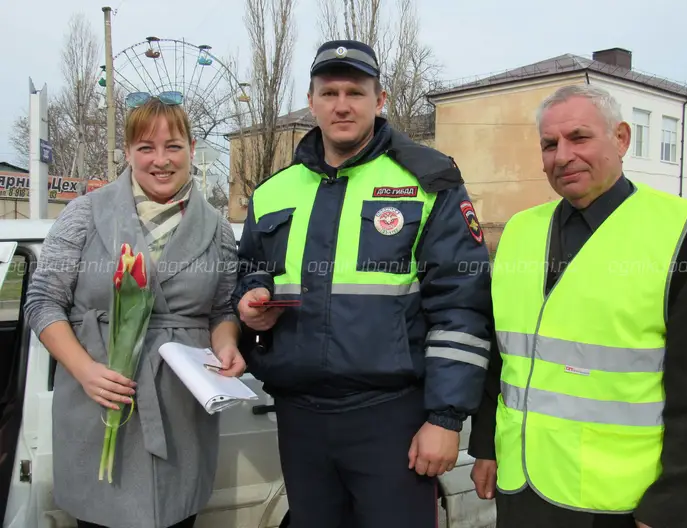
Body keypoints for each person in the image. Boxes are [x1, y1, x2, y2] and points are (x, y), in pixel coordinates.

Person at [233, 39, 493, 528]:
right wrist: (249, 300)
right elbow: (250, 270)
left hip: (390, 418)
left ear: (381, 99)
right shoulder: (272, 193)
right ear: (311, 102)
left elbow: (462, 307)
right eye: (329, 92)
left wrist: (444, 419)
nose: (342, 104)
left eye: (356, 91)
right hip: (299, 419)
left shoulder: (427, 181)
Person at [468, 83, 687, 528]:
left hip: (619, 504)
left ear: (622, 139)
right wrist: (485, 446)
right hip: (522, 487)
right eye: (549, 144)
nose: (562, 156)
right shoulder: (519, 231)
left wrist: (674, 506)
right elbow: (502, 356)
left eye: (579, 137)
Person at [24, 91, 246, 528]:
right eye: (146, 147)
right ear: (127, 152)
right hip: (101, 400)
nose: (160, 160)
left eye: (173, 146)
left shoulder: (216, 229)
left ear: (192, 150)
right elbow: (43, 301)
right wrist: (86, 371)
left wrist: (228, 346)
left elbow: (221, 310)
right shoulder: (85, 214)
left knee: (176, 516)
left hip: (180, 409)